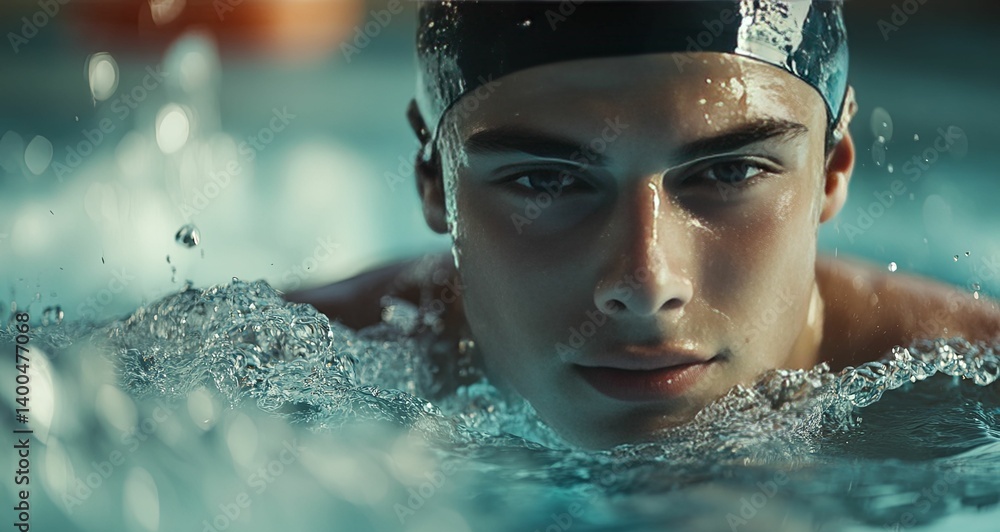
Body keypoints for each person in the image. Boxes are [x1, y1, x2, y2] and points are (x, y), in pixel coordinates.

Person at [287, 1, 1000, 449]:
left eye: (729, 173)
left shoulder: (978, 387)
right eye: (546, 180)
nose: (644, 283)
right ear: (433, 185)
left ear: (832, 171)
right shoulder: (291, 380)